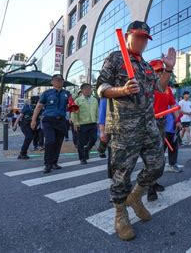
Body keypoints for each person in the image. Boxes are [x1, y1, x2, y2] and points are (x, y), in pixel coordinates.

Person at [97, 20, 176, 240]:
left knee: (158, 165)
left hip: (148, 125)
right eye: (138, 36)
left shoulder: (146, 66)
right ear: (128, 36)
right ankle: (120, 214)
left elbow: (160, 88)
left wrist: (168, 68)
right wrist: (121, 90)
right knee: (122, 174)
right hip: (124, 127)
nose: (142, 41)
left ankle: (136, 196)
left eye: (145, 38)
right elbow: (101, 88)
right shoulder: (115, 58)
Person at [147, 59, 181, 202]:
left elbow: (173, 105)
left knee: (159, 156)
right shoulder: (148, 87)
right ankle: (150, 188)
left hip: (161, 124)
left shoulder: (166, 89)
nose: (160, 74)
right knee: (150, 158)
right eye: (157, 71)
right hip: (148, 124)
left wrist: (178, 121)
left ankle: (154, 182)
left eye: (162, 71)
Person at [31, 74, 72, 174]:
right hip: (49, 120)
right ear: (52, 82)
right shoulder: (47, 93)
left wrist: (72, 114)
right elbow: (39, 106)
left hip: (61, 121)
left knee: (58, 143)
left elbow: (72, 106)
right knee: (50, 141)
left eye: (61, 80)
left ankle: (54, 162)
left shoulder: (67, 93)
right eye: (57, 80)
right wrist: (33, 120)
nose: (59, 82)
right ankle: (47, 164)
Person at [71, 83, 99, 164]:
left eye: (90, 89)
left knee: (94, 139)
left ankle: (87, 149)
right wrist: (75, 123)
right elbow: (74, 113)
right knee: (81, 142)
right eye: (86, 89)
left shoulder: (94, 100)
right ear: (82, 90)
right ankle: (82, 158)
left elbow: (97, 111)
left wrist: (97, 121)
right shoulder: (77, 100)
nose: (88, 91)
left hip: (93, 123)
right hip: (82, 124)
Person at [15, 96, 40, 160]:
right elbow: (20, 116)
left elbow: (41, 116)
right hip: (25, 125)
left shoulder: (39, 107)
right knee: (29, 137)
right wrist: (15, 125)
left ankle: (23, 153)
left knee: (30, 137)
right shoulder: (27, 107)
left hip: (33, 125)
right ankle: (22, 153)